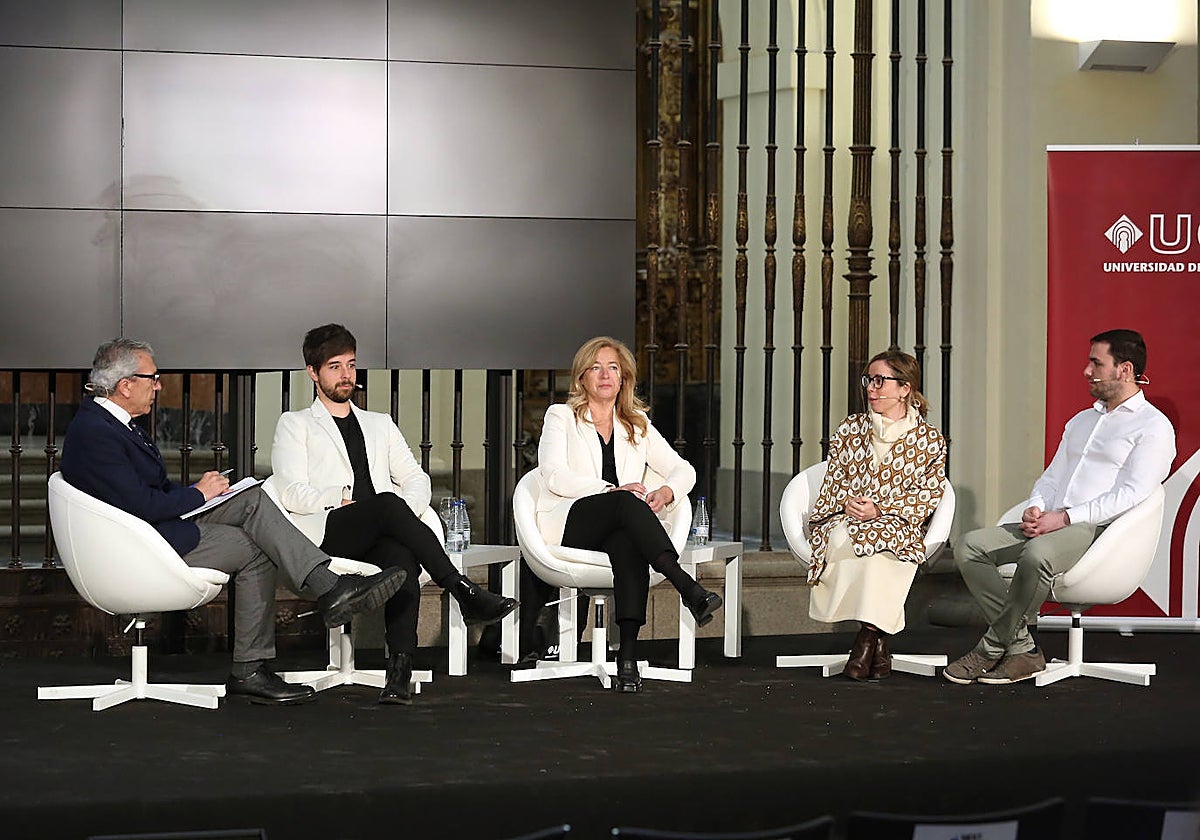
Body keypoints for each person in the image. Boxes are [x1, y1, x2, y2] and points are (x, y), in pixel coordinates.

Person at [60, 338, 407, 705]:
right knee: (254, 549)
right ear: (126, 384)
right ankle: (267, 652)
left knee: (252, 497)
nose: (159, 385)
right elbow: (142, 504)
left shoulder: (116, 424)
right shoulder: (96, 432)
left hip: (154, 528)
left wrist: (203, 493)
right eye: (153, 377)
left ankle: (322, 596)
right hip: (143, 543)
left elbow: (147, 494)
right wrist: (199, 493)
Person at [266, 324, 517, 705]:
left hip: (383, 529)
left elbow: (416, 479)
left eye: (350, 365)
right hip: (330, 530)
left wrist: (402, 511)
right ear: (313, 373)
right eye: (334, 366)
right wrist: (342, 498)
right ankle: (463, 591)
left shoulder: (379, 423)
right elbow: (290, 491)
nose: (346, 375)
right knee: (386, 504)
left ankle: (399, 669)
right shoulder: (296, 423)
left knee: (401, 557)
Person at [946, 328, 1176, 685]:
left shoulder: (1153, 426)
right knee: (970, 546)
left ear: (1124, 369)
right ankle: (1022, 649)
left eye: (1096, 363)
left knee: (1037, 555)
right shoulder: (1082, 421)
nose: (1086, 371)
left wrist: (1065, 517)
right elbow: (1052, 476)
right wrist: (1037, 507)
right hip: (1054, 521)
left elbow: (1133, 493)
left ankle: (990, 649)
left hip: (1100, 528)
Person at [534, 335, 723, 693]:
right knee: (625, 504)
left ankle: (628, 659)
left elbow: (685, 470)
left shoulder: (636, 425)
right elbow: (553, 474)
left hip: (618, 523)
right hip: (572, 520)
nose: (605, 375)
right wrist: (610, 490)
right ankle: (685, 585)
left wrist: (666, 493)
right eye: (596, 367)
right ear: (582, 379)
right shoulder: (561, 416)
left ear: (623, 379)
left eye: (613, 368)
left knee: (627, 542)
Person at [804, 350, 948, 681]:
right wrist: (847, 503)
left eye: (880, 381)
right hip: (849, 517)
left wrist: (881, 508)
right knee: (845, 539)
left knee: (886, 549)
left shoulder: (929, 440)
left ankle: (866, 641)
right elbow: (833, 480)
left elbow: (929, 494)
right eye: (869, 379)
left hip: (899, 522)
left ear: (905, 388)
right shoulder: (850, 428)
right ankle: (880, 644)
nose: (871, 388)